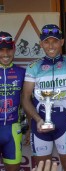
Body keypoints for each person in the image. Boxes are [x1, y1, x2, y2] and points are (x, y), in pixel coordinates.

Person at [22, 24, 66, 171]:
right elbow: (25, 97)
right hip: (40, 122)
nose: (51, 46)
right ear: (41, 43)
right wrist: (37, 120)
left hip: (65, 122)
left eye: (55, 41)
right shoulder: (34, 66)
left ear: (61, 42)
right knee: (42, 168)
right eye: (47, 42)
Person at [0, 31, 26, 171]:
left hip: (12, 130)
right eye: (1, 49)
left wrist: (30, 127)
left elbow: (27, 100)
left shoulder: (21, 73)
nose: (5, 54)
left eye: (9, 49)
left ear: (14, 49)